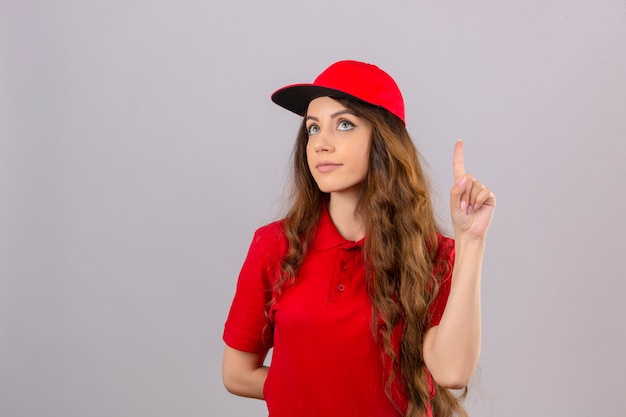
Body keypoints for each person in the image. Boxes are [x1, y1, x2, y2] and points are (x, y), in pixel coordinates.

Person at [221, 60, 496, 417]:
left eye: (345, 125)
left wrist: (471, 241)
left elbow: (452, 372)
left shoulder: (435, 255)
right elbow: (236, 374)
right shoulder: (274, 244)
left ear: (382, 140)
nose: (321, 143)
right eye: (313, 129)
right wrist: (313, 393)